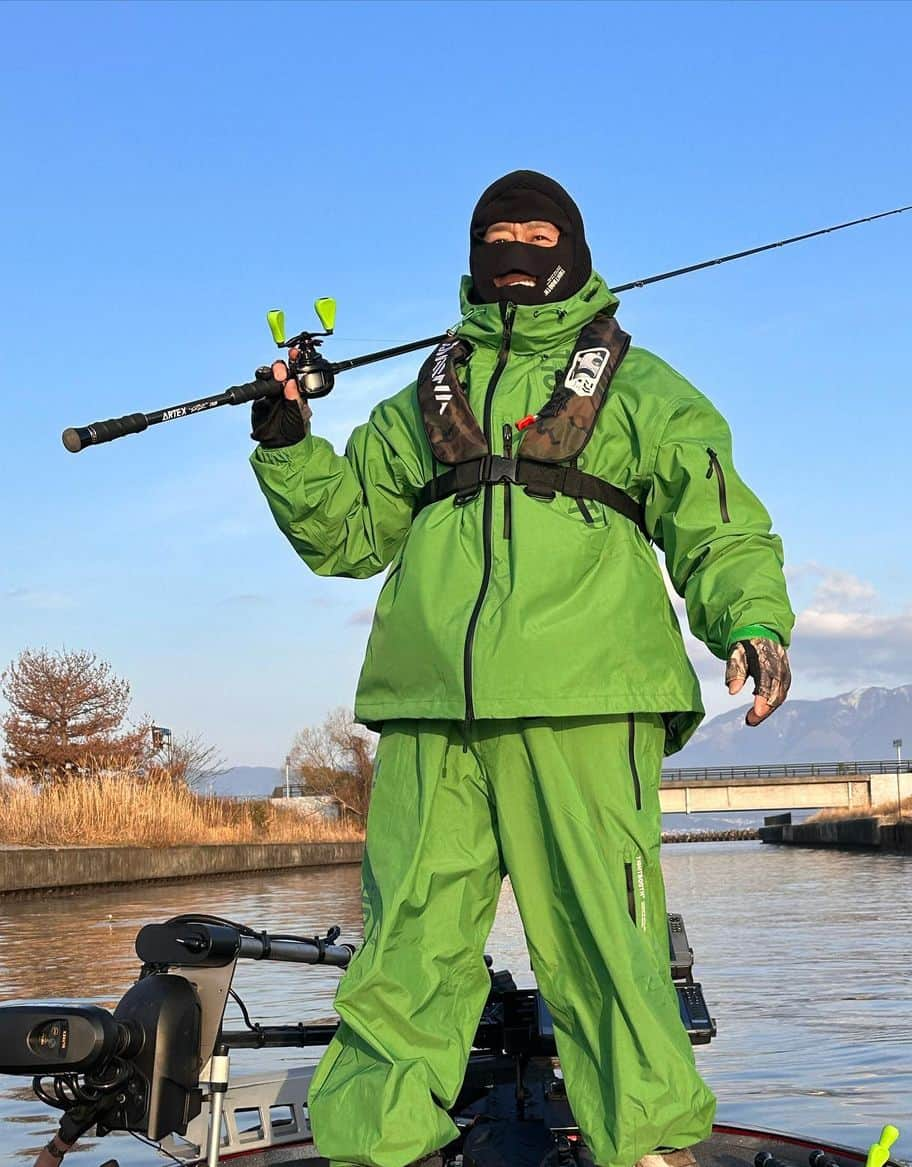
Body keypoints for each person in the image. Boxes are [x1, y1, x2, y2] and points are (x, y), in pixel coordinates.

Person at [249, 171, 795, 1167]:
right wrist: (289, 447)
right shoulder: (423, 395)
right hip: (432, 714)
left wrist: (751, 626)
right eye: (497, 232)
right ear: (472, 255)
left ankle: (650, 1150)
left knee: (607, 950)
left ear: (574, 249)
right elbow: (348, 535)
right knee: (403, 954)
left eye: (537, 231)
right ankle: (377, 1150)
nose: (517, 245)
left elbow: (718, 524)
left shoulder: (643, 385)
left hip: (590, 701)